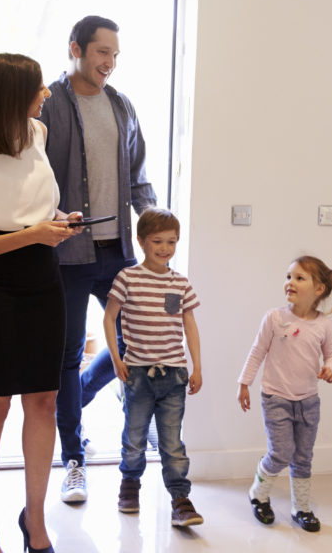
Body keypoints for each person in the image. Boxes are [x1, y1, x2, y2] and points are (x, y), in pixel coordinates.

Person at [0, 53, 83, 553]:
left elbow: (35, 207)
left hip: (42, 279)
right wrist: (32, 234)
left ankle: (35, 519)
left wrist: (56, 220)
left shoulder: (38, 135)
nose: (46, 92)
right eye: (36, 87)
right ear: (10, 94)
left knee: (43, 400)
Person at [38, 15, 157, 503]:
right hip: (67, 253)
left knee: (139, 341)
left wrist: (155, 230)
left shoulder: (122, 105)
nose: (108, 62)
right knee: (65, 354)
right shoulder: (48, 105)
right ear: (76, 49)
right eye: (101, 52)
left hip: (118, 253)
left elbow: (139, 177)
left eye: (114, 55)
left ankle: (81, 397)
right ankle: (73, 458)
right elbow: (33, 180)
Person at [102, 207, 205, 527]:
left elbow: (190, 323)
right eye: (158, 241)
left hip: (174, 374)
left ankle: (180, 499)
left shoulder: (180, 283)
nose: (165, 248)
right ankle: (129, 486)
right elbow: (109, 317)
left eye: (172, 242)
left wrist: (196, 366)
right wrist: (117, 359)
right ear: (141, 241)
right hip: (138, 374)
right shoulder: (128, 277)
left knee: (172, 442)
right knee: (134, 437)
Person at [236, 256, 332, 532]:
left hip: (308, 401)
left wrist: (330, 368)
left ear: (319, 289)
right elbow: (257, 351)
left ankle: (301, 508)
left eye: (298, 278)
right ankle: (258, 494)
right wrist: (244, 383)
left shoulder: (324, 326)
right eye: (288, 276)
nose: (289, 283)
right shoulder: (274, 318)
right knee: (281, 452)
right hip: (276, 398)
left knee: (303, 456)